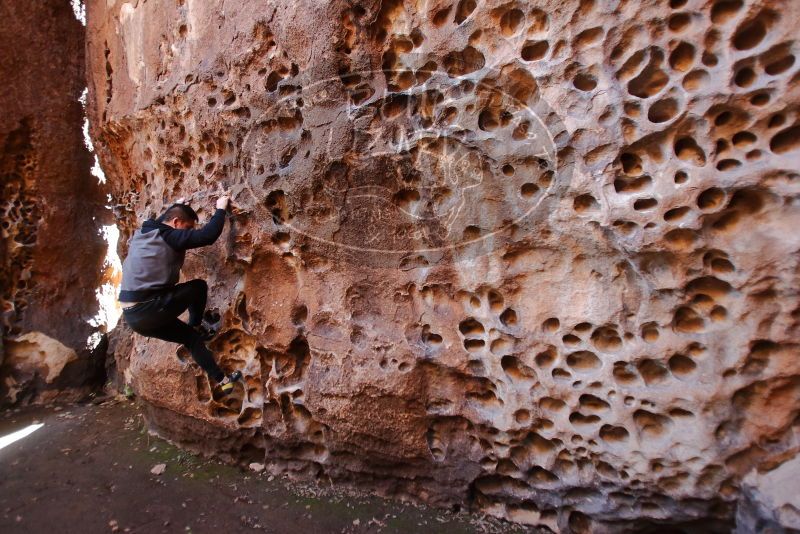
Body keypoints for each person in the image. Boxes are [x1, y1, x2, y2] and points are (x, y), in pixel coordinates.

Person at [117, 191, 242, 396]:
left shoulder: (146, 229)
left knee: (191, 339)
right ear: (175, 222)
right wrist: (221, 208)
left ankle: (224, 381)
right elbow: (208, 236)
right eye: (188, 228)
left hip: (134, 317)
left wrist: (176, 204)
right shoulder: (170, 236)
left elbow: (162, 220)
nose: (189, 233)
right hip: (148, 308)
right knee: (198, 287)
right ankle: (195, 323)